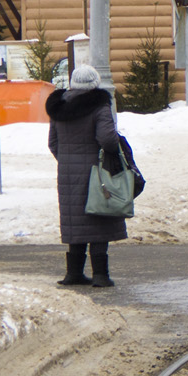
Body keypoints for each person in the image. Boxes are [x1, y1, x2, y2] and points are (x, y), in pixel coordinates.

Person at [46, 63, 126, 287]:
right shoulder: (99, 106)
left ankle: (74, 273)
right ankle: (100, 275)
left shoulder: (58, 107)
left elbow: (53, 143)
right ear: (94, 84)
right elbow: (108, 140)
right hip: (96, 172)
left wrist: (68, 161)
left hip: (68, 172)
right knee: (98, 219)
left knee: (76, 222)